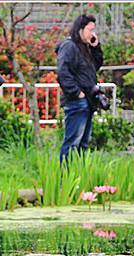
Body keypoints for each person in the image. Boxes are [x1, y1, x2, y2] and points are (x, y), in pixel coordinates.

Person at [55, 15, 104, 163]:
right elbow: (63, 72)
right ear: (80, 29)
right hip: (77, 102)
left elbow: (95, 66)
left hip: (88, 102)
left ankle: (78, 177)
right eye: (90, 30)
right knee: (72, 142)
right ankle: (66, 179)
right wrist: (77, 93)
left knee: (83, 144)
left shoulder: (84, 48)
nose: (92, 34)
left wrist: (96, 48)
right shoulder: (69, 46)